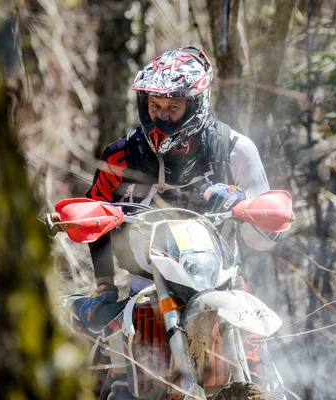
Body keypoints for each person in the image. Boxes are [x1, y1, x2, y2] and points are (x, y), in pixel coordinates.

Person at [79, 45, 284, 399]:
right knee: (115, 376)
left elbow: (266, 235)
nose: (161, 118)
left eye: (173, 107)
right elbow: (93, 215)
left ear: (197, 102)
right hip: (146, 285)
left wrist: (241, 202)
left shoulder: (234, 149)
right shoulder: (121, 155)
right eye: (154, 106)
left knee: (262, 373)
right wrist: (104, 286)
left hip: (221, 285)